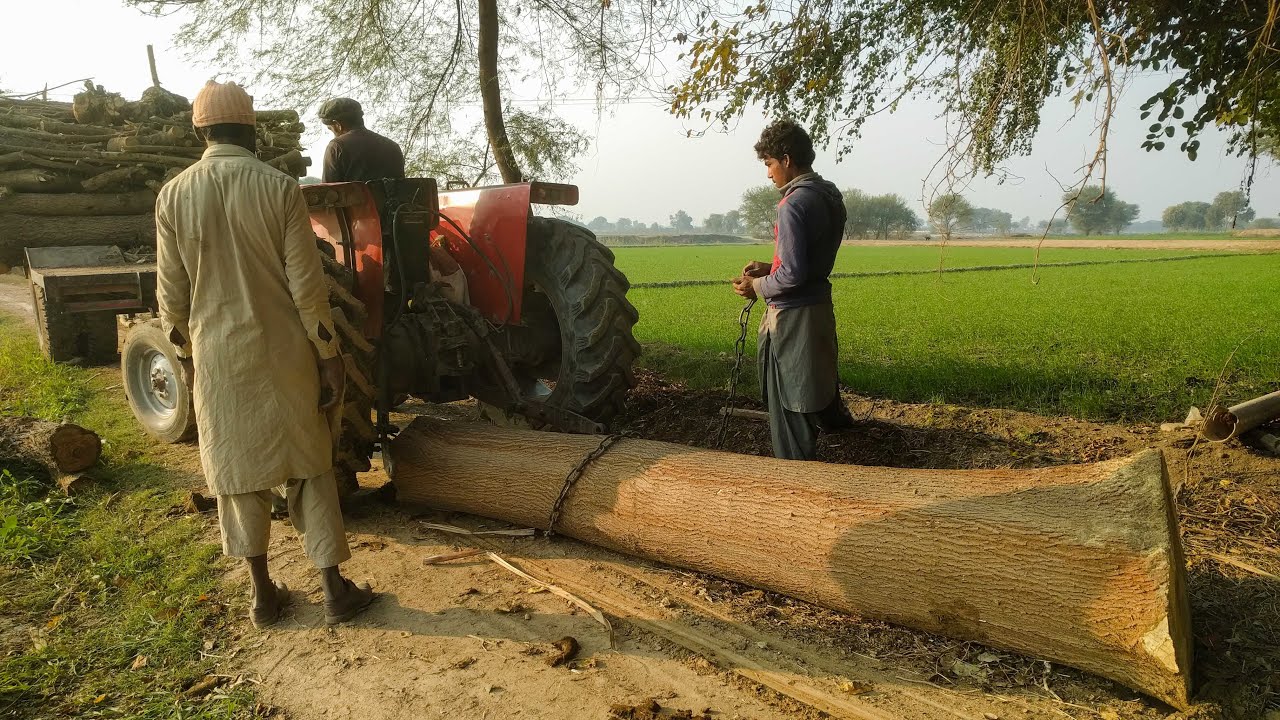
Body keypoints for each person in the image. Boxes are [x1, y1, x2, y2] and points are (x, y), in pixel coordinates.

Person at [156, 80, 376, 628]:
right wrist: (329, 354)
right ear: (251, 128)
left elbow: (171, 295)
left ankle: (262, 595)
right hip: (284, 352)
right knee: (310, 463)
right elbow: (307, 285)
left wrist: (185, 353)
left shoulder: (173, 195)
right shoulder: (279, 187)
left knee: (236, 473)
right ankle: (333, 590)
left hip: (217, 354)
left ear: (200, 129)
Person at [733, 119, 854, 460]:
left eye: (769, 164)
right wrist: (769, 267)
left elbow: (792, 276)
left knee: (787, 401)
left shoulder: (792, 205)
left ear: (786, 160)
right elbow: (807, 263)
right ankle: (840, 431)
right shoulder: (829, 195)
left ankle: (795, 473)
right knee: (820, 379)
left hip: (792, 317)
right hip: (819, 308)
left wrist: (757, 285)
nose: (769, 174)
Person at [318, 97, 406, 183]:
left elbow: (326, 191)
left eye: (330, 129)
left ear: (338, 125)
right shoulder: (392, 146)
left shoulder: (337, 146)